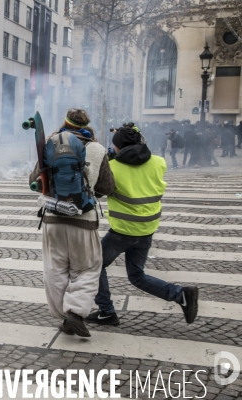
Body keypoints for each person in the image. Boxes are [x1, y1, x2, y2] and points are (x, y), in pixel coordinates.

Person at [85, 126, 199, 327]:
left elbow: (100, 190)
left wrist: (108, 160)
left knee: (94, 265)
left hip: (123, 231)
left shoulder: (113, 167)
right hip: (147, 228)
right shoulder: (159, 162)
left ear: (118, 147)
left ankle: (106, 311)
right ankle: (180, 294)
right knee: (137, 276)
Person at [29, 109, 115, 337]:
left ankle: (63, 316)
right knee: (87, 268)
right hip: (83, 220)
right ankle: (75, 313)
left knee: (55, 269)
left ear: (65, 123)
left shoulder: (50, 144)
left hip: (52, 219)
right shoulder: (97, 149)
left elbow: (33, 180)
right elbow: (107, 187)